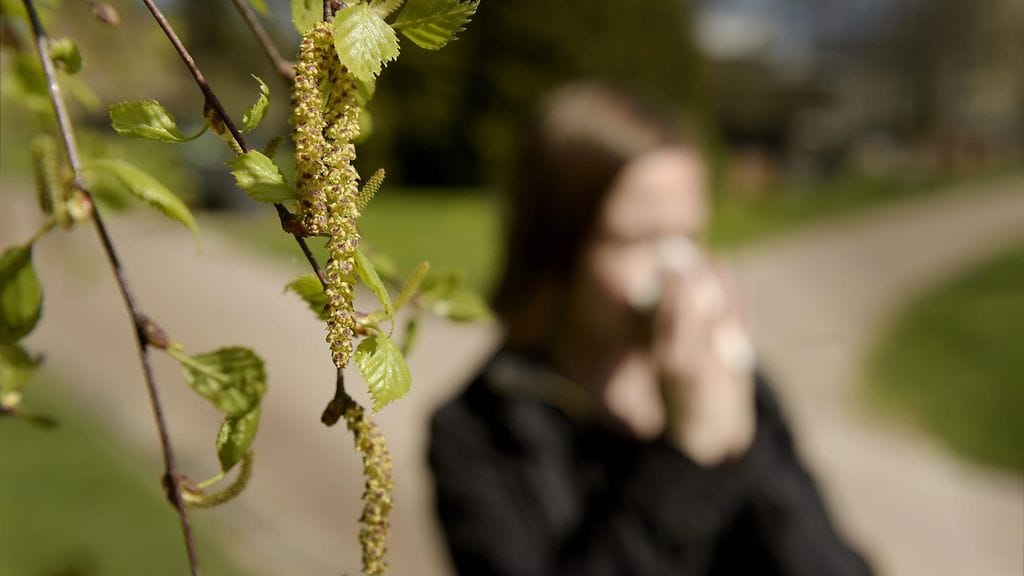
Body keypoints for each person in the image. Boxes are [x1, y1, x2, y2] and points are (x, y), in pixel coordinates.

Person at [428, 83, 873, 576]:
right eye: (639, 241)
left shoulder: (736, 385)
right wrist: (685, 459)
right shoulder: (479, 433)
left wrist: (743, 441)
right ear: (555, 248)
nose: (675, 273)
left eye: (688, 237)